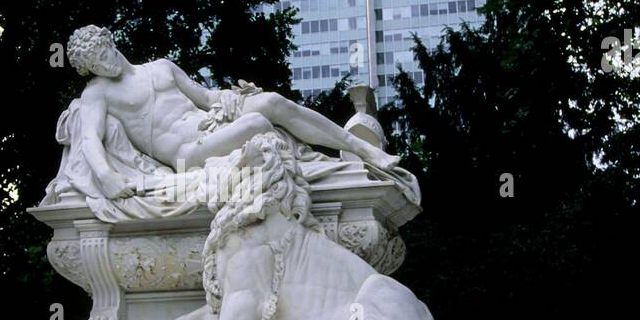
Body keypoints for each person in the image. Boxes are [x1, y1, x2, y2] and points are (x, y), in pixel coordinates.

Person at [66, 25, 399, 199]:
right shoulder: (98, 93)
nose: (104, 66)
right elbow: (90, 139)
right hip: (187, 152)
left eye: (103, 55)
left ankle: (361, 149)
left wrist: (226, 98)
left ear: (110, 43)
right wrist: (107, 178)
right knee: (256, 121)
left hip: (211, 124)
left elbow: (205, 96)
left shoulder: (161, 67)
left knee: (270, 103)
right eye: (95, 66)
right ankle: (308, 169)